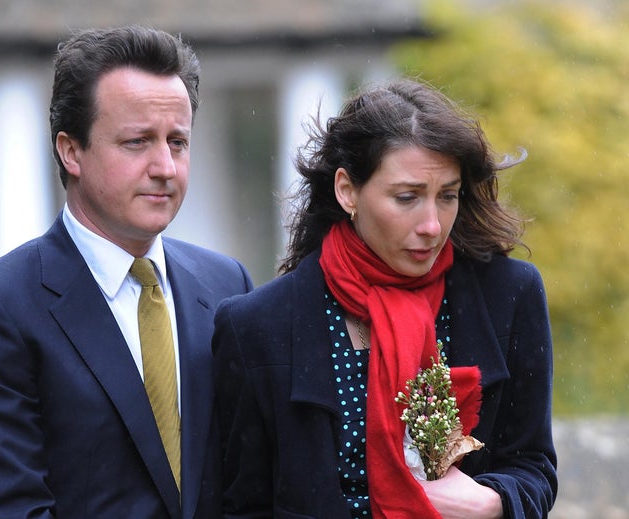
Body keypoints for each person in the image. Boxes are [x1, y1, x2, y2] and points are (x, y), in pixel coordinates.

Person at [0, 26, 253, 519]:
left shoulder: (227, 285)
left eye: (178, 142)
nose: (165, 166)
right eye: (137, 142)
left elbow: (251, 487)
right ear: (71, 151)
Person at [212, 79, 557, 518]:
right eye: (407, 197)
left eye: (447, 196)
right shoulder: (257, 325)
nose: (432, 224)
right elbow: (243, 506)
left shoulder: (509, 295)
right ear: (347, 190)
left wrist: (492, 502)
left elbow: (534, 466)